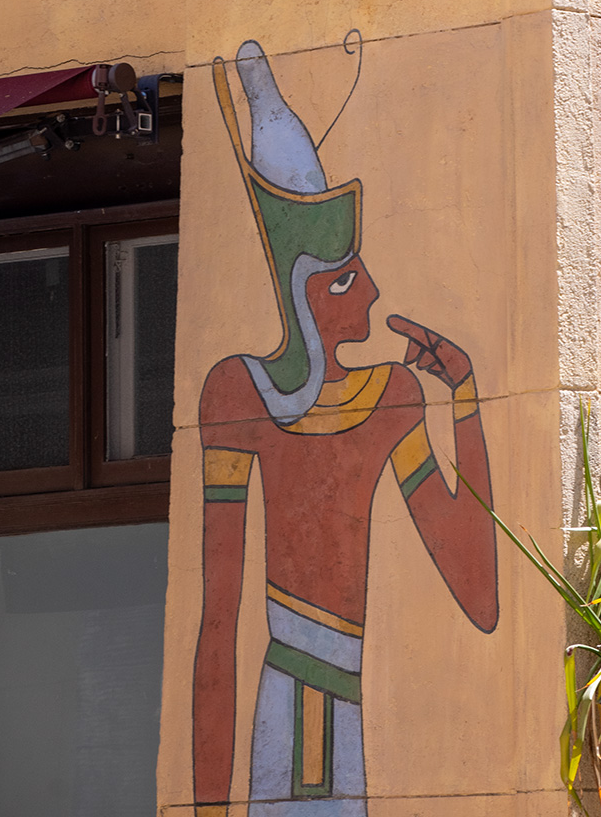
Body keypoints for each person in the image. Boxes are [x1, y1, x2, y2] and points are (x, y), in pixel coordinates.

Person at [192, 41, 498, 816]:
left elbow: (481, 594)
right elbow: (216, 623)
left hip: (343, 715)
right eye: (344, 277)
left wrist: (463, 399)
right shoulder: (237, 394)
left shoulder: (393, 397)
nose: (370, 290)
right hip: (285, 711)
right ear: (308, 299)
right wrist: (203, 807)